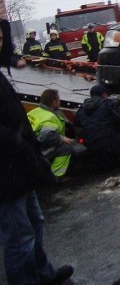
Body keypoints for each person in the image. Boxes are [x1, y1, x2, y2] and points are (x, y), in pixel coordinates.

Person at [0, 19, 74, 284]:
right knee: (19, 237)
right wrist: (22, 147)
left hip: (20, 166)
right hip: (6, 172)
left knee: (35, 222)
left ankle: (43, 275)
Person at [74, 84, 120, 168]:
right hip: (108, 145)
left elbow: (77, 123)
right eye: (107, 95)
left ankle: (99, 160)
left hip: (91, 146)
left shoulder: (82, 108)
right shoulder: (107, 104)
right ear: (104, 94)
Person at [28, 89, 87, 179]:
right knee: (66, 147)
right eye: (59, 100)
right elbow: (46, 136)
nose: (60, 102)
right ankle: (55, 176)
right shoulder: (50, 117)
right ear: (54, 102)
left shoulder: (34, 112)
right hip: (39, 150)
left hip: (29, 146)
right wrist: (61, 138)